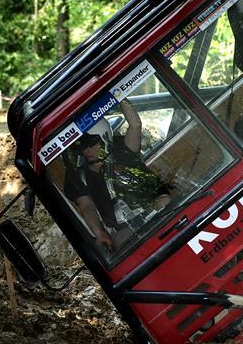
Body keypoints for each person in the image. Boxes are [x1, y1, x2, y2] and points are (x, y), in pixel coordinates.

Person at [64, 98, 172, 251]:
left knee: (166, 201)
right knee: (122, 241)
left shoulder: (123, 149)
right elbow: (86, 206)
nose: (86, 150)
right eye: (82, 146)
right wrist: (99, 233)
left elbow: (135, 125)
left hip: (154, 209)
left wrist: (119, 95)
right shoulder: (79, 175)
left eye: (91, 144)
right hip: (125, 230)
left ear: (104, 136)